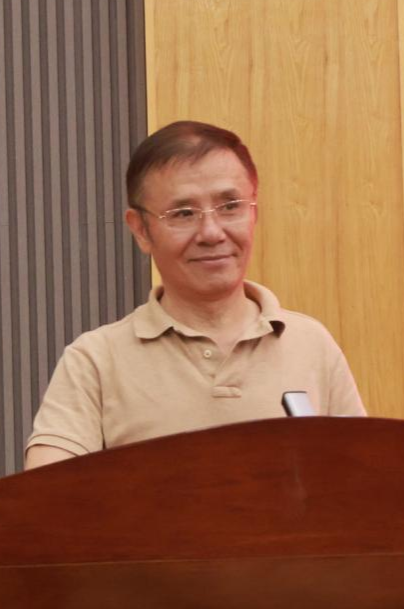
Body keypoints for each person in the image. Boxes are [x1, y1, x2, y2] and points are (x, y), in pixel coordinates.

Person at [24, 121, 365, 469]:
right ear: (141, 230)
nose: (212, 233)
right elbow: (45, 490)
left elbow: (362, 481)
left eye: (230, 206)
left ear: (254, 213)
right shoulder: (95, 360)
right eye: (183, 213)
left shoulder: (312, 344)